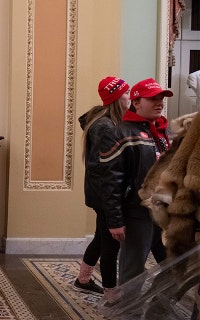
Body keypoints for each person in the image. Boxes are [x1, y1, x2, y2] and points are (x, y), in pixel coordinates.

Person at [99, 78, 172, 302]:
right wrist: (115, 220)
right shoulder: (120, 132)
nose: (159, 102)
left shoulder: (159, 131)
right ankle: (127, 314)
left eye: (161, 98)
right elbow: (111, 182)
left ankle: (154, 309)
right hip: (136, 213)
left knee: (174, 266)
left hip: (163, 212)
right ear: (136, 102)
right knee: (133, 272)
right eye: (153, 98)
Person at [73, 76, 131, 297]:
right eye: (126, 92)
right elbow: (104, 169)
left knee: (101, 237)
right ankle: (111, 295)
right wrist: (113, 201)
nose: (130, 96)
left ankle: (83, 279)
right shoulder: (106, 127)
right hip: (106, 195)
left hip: (102, 194)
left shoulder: (106, 122)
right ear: (116, 97)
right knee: (110, 246)